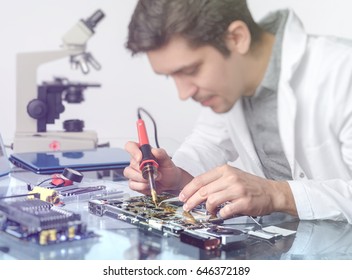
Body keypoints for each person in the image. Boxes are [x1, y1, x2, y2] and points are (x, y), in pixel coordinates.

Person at [123, 0, 352, 223]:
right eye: (170, 76)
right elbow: (208, 143)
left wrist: (276, 194)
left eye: (191, 70)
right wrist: (175, 177)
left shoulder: (343, 72)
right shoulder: (230, 85)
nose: (183, 93)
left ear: (237, 38)